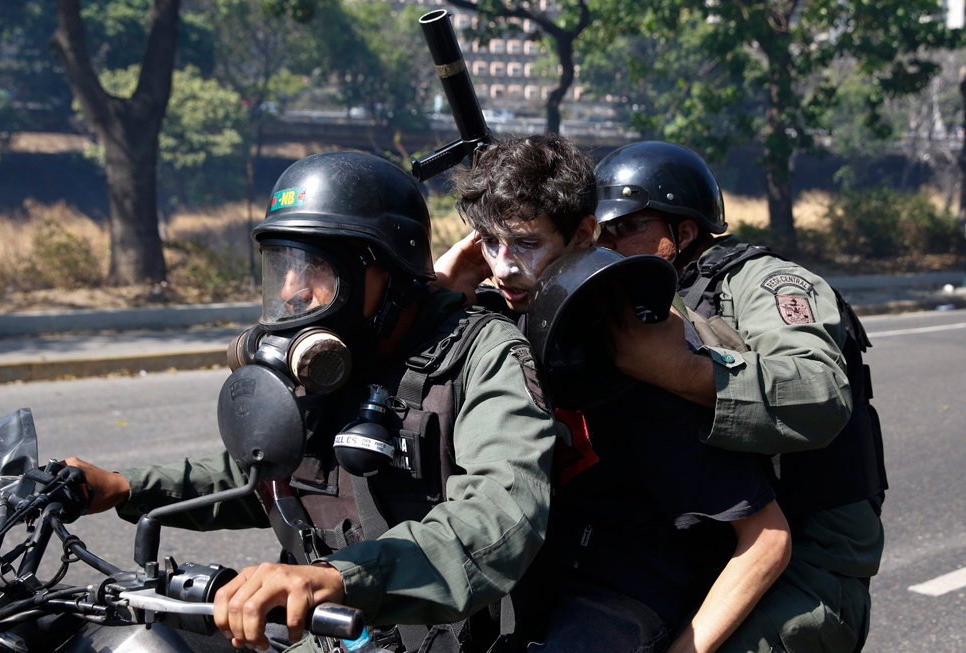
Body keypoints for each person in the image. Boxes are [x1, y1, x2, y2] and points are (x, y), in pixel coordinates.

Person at [66, 151, 557, 653]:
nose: (290, 291)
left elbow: (500, 515)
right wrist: (124, 489)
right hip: (322, 637)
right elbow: (270, 474)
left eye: (316, 266)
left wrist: (340, 579)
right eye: (283, 264)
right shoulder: (331, 360)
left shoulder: (482, 353)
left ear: (388, 271)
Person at [437, 133, 792, 653]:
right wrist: (446, 283)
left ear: (584, 233)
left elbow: (766, 539)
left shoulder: (633, 350)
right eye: (489, 243)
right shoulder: (493, 324)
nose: (503, 267)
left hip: (623, 595)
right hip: (529, 581)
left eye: (527, 243)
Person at [593, 140, 887, 652]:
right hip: (704, 549)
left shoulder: (767, 284)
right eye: (600, 232)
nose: (609, 244)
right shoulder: (636, 297)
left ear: (682, 233)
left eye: (626, 228)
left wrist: (683, 371)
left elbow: (820, 391)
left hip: (808, 563)